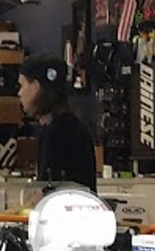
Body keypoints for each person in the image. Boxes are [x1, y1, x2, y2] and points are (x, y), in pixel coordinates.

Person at [17, 55, 97, 191]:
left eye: (22, 85)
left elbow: (53, 192)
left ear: (36, 87)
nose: (19, 93)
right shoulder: (71, 127)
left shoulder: (58, 133)